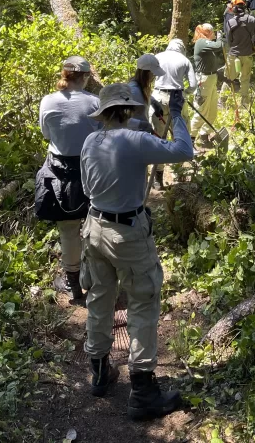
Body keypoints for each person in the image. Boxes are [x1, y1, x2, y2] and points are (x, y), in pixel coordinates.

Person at [80, 82, 193, 418]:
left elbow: (87, 186)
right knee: (143, 300)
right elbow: (184, 151)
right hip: (127, 232)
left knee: (100, 296)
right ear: (128, 110)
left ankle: (100, 372)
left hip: (94, 226)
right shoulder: (136, 140)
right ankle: (143, 391)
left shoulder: (90, 141)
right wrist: (176, 115)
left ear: (103, 113)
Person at [37, 56, 99, 303]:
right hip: (90, 167)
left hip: (59, 168)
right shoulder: (94, 102)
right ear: (84, 77)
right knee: (94, 222)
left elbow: (46, 134)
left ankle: (73, 282)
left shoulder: (48, 101)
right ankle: (93, 275)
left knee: (68, 228)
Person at [151, 39, 197, 188]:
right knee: (181, 134)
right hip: (177, 99)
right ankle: (179, 173)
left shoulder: (158, 57)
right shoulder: (184, 60)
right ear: (182, 49)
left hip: (158, 97)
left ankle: (157, 178)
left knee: (158, 137)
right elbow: (193, 85)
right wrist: (186, 93)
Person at [220, 0, 255, 109]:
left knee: (229, 78)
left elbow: (229, 40)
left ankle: (221, 102)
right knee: (245, 79)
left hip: (234, 54)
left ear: (234, 8)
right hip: (248, 54)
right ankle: (244, 104)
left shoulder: (230, 22)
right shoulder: (251, 19)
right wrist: (254, 47)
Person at [190, 24, 224, 146]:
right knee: (201, 110)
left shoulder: (206, 43)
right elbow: (219, 46)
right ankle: (191, 138)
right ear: (208, 32)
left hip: (211, 78)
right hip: (203, 80)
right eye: (213, 32)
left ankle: (204, 136)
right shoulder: (201, 42)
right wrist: (220, 37)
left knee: (212, 110)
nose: (214, 34)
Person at [128, 53, 164, 134]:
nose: (154, 77)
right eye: (153, 74)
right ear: (147, 73)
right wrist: (140, 125)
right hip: (133, 137)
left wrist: (153, 102)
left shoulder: (139, 87)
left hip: (141, 136)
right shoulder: (133, 91)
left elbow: (141, 94)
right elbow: (120, 119)